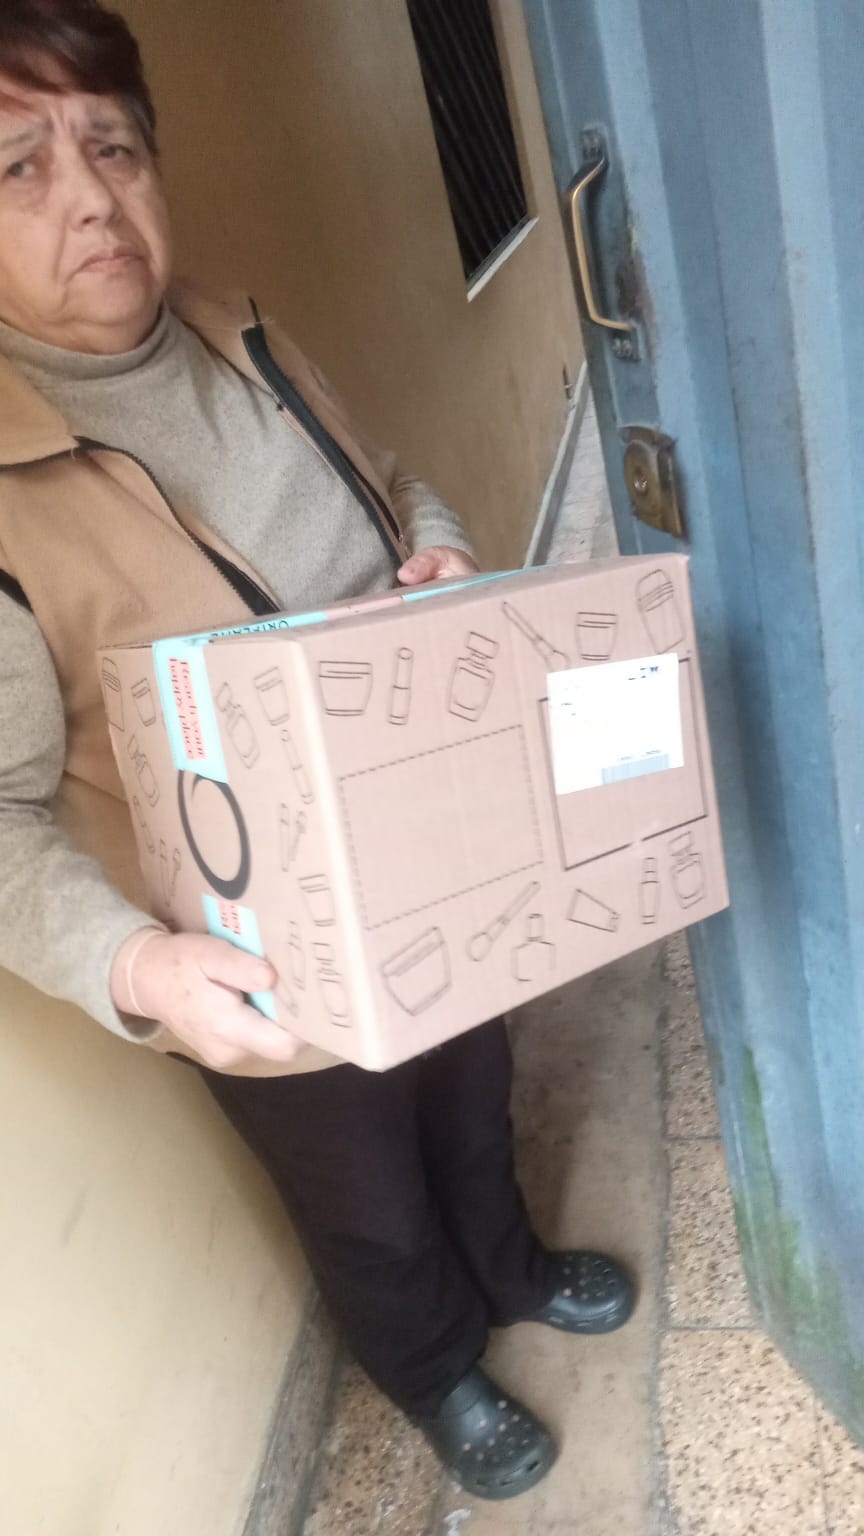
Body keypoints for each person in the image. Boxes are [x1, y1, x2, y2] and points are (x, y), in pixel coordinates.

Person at [0, 0, 634, 1501]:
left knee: (471, 1090)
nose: (91, 198)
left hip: (433, 851)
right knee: (364, 1196)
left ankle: (510, 1264)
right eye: (19, 166)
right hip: (255, 952)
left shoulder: (243, 333)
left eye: (113, 146)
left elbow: (396, 479)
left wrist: (441, 545)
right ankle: (435, 1370)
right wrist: (142, 970)